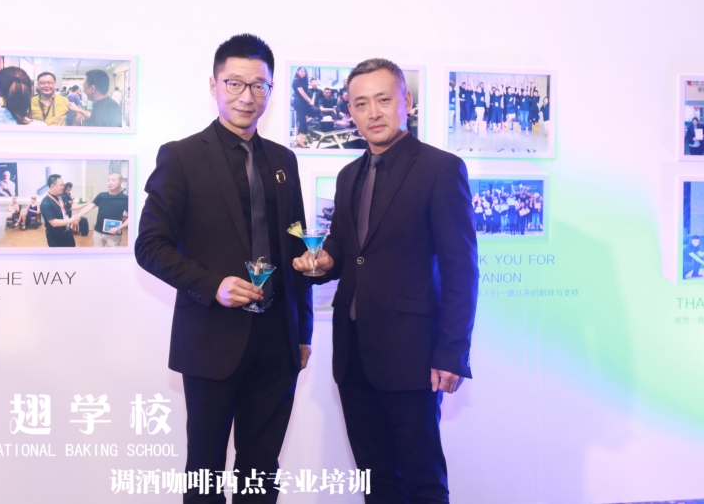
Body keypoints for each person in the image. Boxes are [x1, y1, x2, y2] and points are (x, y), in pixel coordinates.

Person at [135, 34, 313, 504]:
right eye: (234, 83)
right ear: (214, 85)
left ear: (271, 90)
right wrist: (213, 285)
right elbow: (149, 246)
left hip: (277, 342)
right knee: (205, 472)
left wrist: (303, 332)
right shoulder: (181, 156)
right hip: (212, 340)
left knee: (262, 473)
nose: (246, 97)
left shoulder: (284, 160)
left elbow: (295, 247)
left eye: (258, 86)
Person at [293, 58, 478, 504]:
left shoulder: (441, 169)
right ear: (350, 112)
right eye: (361, 104)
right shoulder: (348, 175)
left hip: (413, 355)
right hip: (353, 354)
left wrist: (452, 352)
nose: (373, 112)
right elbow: (344, 249)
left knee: (422, 480)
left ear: (406, 102)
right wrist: (322, 263)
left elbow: (462, 268)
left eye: (382, 99)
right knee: (375, 480)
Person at [69, 172, 129, 247]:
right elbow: (90, 206)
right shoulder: (101, 195)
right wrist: (78, 216)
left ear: (121, 182)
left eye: (113, 180)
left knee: (113, 254)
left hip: (114, 233)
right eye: (108, 180)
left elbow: (132, 217)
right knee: (97, 253)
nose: (110, 183)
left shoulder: (125, 199)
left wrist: (119, 228)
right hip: (98, 232)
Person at [39, 174, 76, 247]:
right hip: (56, 238)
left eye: (63, 185)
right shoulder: (45, 202)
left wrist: (85, 204)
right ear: (52, 186)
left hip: (67, 233)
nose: (63, 187)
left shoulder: (61, 196)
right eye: (61, 185)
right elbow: (54, 223)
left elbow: (70, 207)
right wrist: (71, 220)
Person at [292, 66, 313, 148]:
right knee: (302, 122)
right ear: (297, 72)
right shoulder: (296, 80)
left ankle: (306, 133)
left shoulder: (304, 80)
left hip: (304, 102)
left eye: (304, 71)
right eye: (301, 71)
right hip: (299, 102)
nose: (303, 72)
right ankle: (300, 141)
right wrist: (309, 101)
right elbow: (302, 92)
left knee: (315, 111)